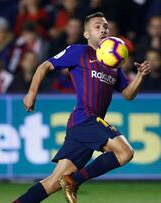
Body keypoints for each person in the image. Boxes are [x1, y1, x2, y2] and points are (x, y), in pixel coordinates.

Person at [13, 12, 151, 203]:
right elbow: (44, 66)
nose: (103, 29)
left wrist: (140, 77)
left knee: (53, 181)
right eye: (97, 26)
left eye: (105, 26)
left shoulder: (113, 63)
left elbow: (128, 94)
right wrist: (32, 92)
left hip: (83, 127)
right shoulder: (78, 52)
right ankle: (74, 181)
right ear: (86, 34)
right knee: (125, 152)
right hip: (84, 119)